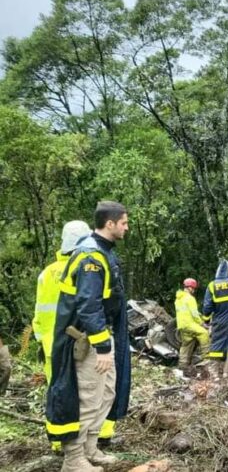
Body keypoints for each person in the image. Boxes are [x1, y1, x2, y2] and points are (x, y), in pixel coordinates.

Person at [45, 201, 131, 472]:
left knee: (106, 393)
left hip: (102, 335)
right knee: (88, 396)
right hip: (88, 340)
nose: (127, 228)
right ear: (110, 224)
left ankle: (91, 448)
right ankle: (74, 459)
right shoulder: (91, 258)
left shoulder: (103, 252)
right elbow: (88, 304)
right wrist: (103, 346)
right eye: (124, 223)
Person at [34, 221, 92, 383]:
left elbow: (39, 312)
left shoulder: (46, 273)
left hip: (51, 344)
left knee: (56, 392)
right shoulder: (86, 268)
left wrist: (41, 339)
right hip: (79, 344)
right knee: (81, 395)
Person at [175, 278, 209, 370]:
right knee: (204, 333)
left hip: (181, 325)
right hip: (189, 324)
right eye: (193, 288)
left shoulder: (178, 299)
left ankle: (182, 365)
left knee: (186, 344)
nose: (194, 290)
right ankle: (207, 358)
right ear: (190, 288)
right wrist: (202, 324)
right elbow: (194, 314)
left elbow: (187, 312)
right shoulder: (190, 298)